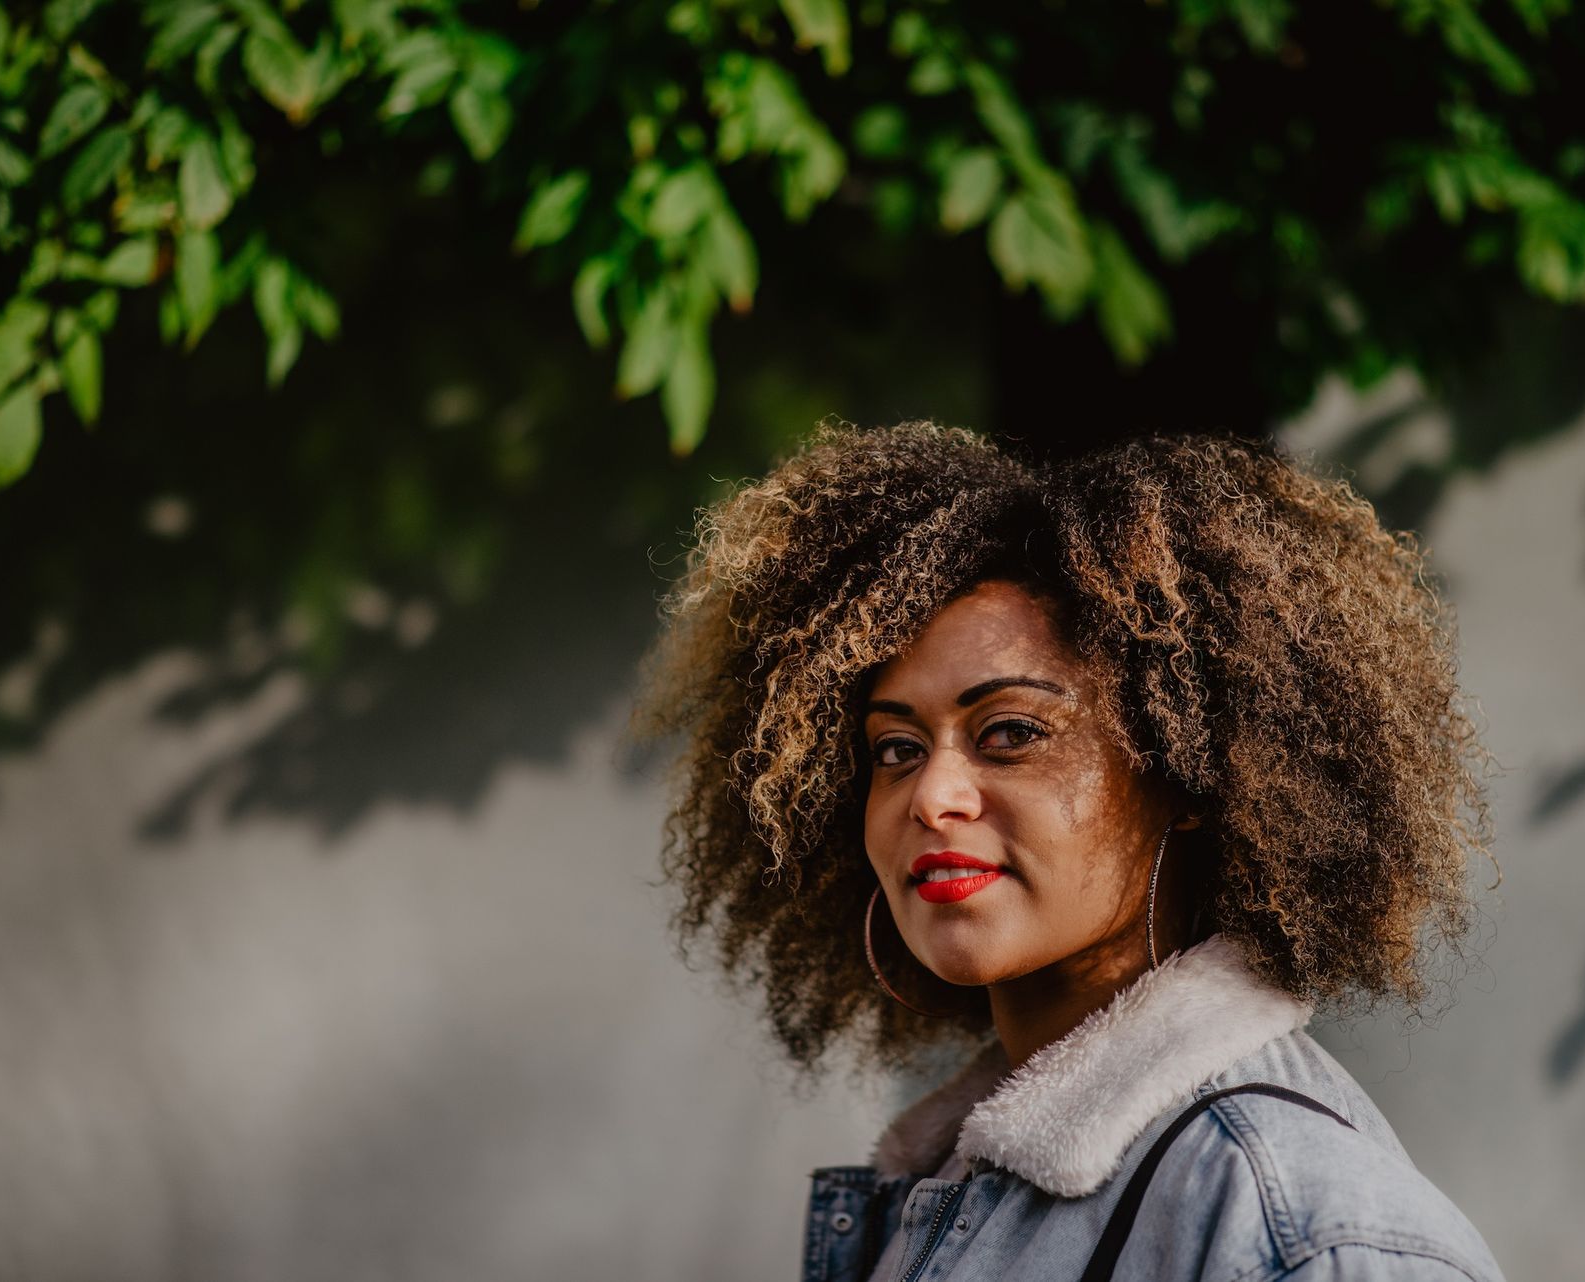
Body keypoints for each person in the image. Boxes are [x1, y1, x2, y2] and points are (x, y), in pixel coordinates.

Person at [638, 421, 1505, 1281]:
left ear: (1190, 773)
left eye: (1011, 732)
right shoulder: (950, 1180)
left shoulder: (1304, 1233)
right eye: (895, 749)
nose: (932, 797)